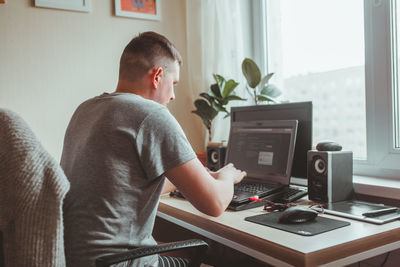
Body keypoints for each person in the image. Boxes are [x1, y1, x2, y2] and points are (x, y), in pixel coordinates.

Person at [61, 31, 247, 267]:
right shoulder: (151, 115)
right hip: (122, 262)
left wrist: (204, 177)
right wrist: (227, 176)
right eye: (174, 84)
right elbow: (215, 204)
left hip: (77, 259)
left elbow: (120, 184)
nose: (172, 96)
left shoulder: (85, 110)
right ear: (158, 76)